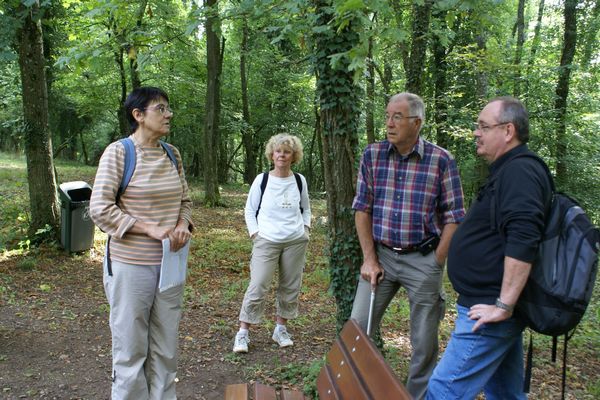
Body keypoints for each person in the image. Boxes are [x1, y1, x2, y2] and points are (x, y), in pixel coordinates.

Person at [427, 97, 553, 399]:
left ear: (508, 131)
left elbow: (524, 237)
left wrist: (504, 304)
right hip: (489, 306)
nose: (475, 133)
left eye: (483, 126)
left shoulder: (521, 171)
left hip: (488, 308)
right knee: (506, 394)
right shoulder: (508, 169)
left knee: (444, 390)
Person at [351, 92, 465, 399]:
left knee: (424, 343)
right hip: (382, 256)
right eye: (388, 115)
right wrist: (369, 259)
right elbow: (362, 208)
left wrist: (436, 262)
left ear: (417, 122)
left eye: (397, 117)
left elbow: (455, 216)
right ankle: (358, 390)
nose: (389, 123)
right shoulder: (372, 155)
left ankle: (416, 396)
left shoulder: (441, 160)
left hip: (423, 259)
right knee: (357, 328)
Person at [90, 86, 193, 399]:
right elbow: (100, 208)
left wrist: (181, 225)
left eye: (167, 108)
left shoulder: (172, 154)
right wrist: (147, 228)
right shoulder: (119, 152)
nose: (168, 114)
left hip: (170, 265)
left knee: (165, 347)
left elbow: (185, 200)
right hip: (130, 266)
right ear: (138, 115)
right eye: (160, 108)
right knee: (131, 349)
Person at [232, 134, 311, 353]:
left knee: (290, 287)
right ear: (272, 154)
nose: (282, 155)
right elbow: (249, 209)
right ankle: (243, 333)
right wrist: (255, 234)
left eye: (287, 151)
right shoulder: (262, 180)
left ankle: (280, 329)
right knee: (258, 285)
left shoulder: (299, 180)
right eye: (278, 151)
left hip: (295, 241)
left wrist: (306, 230)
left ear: (293, 155)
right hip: (266, 240)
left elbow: (306, 208)